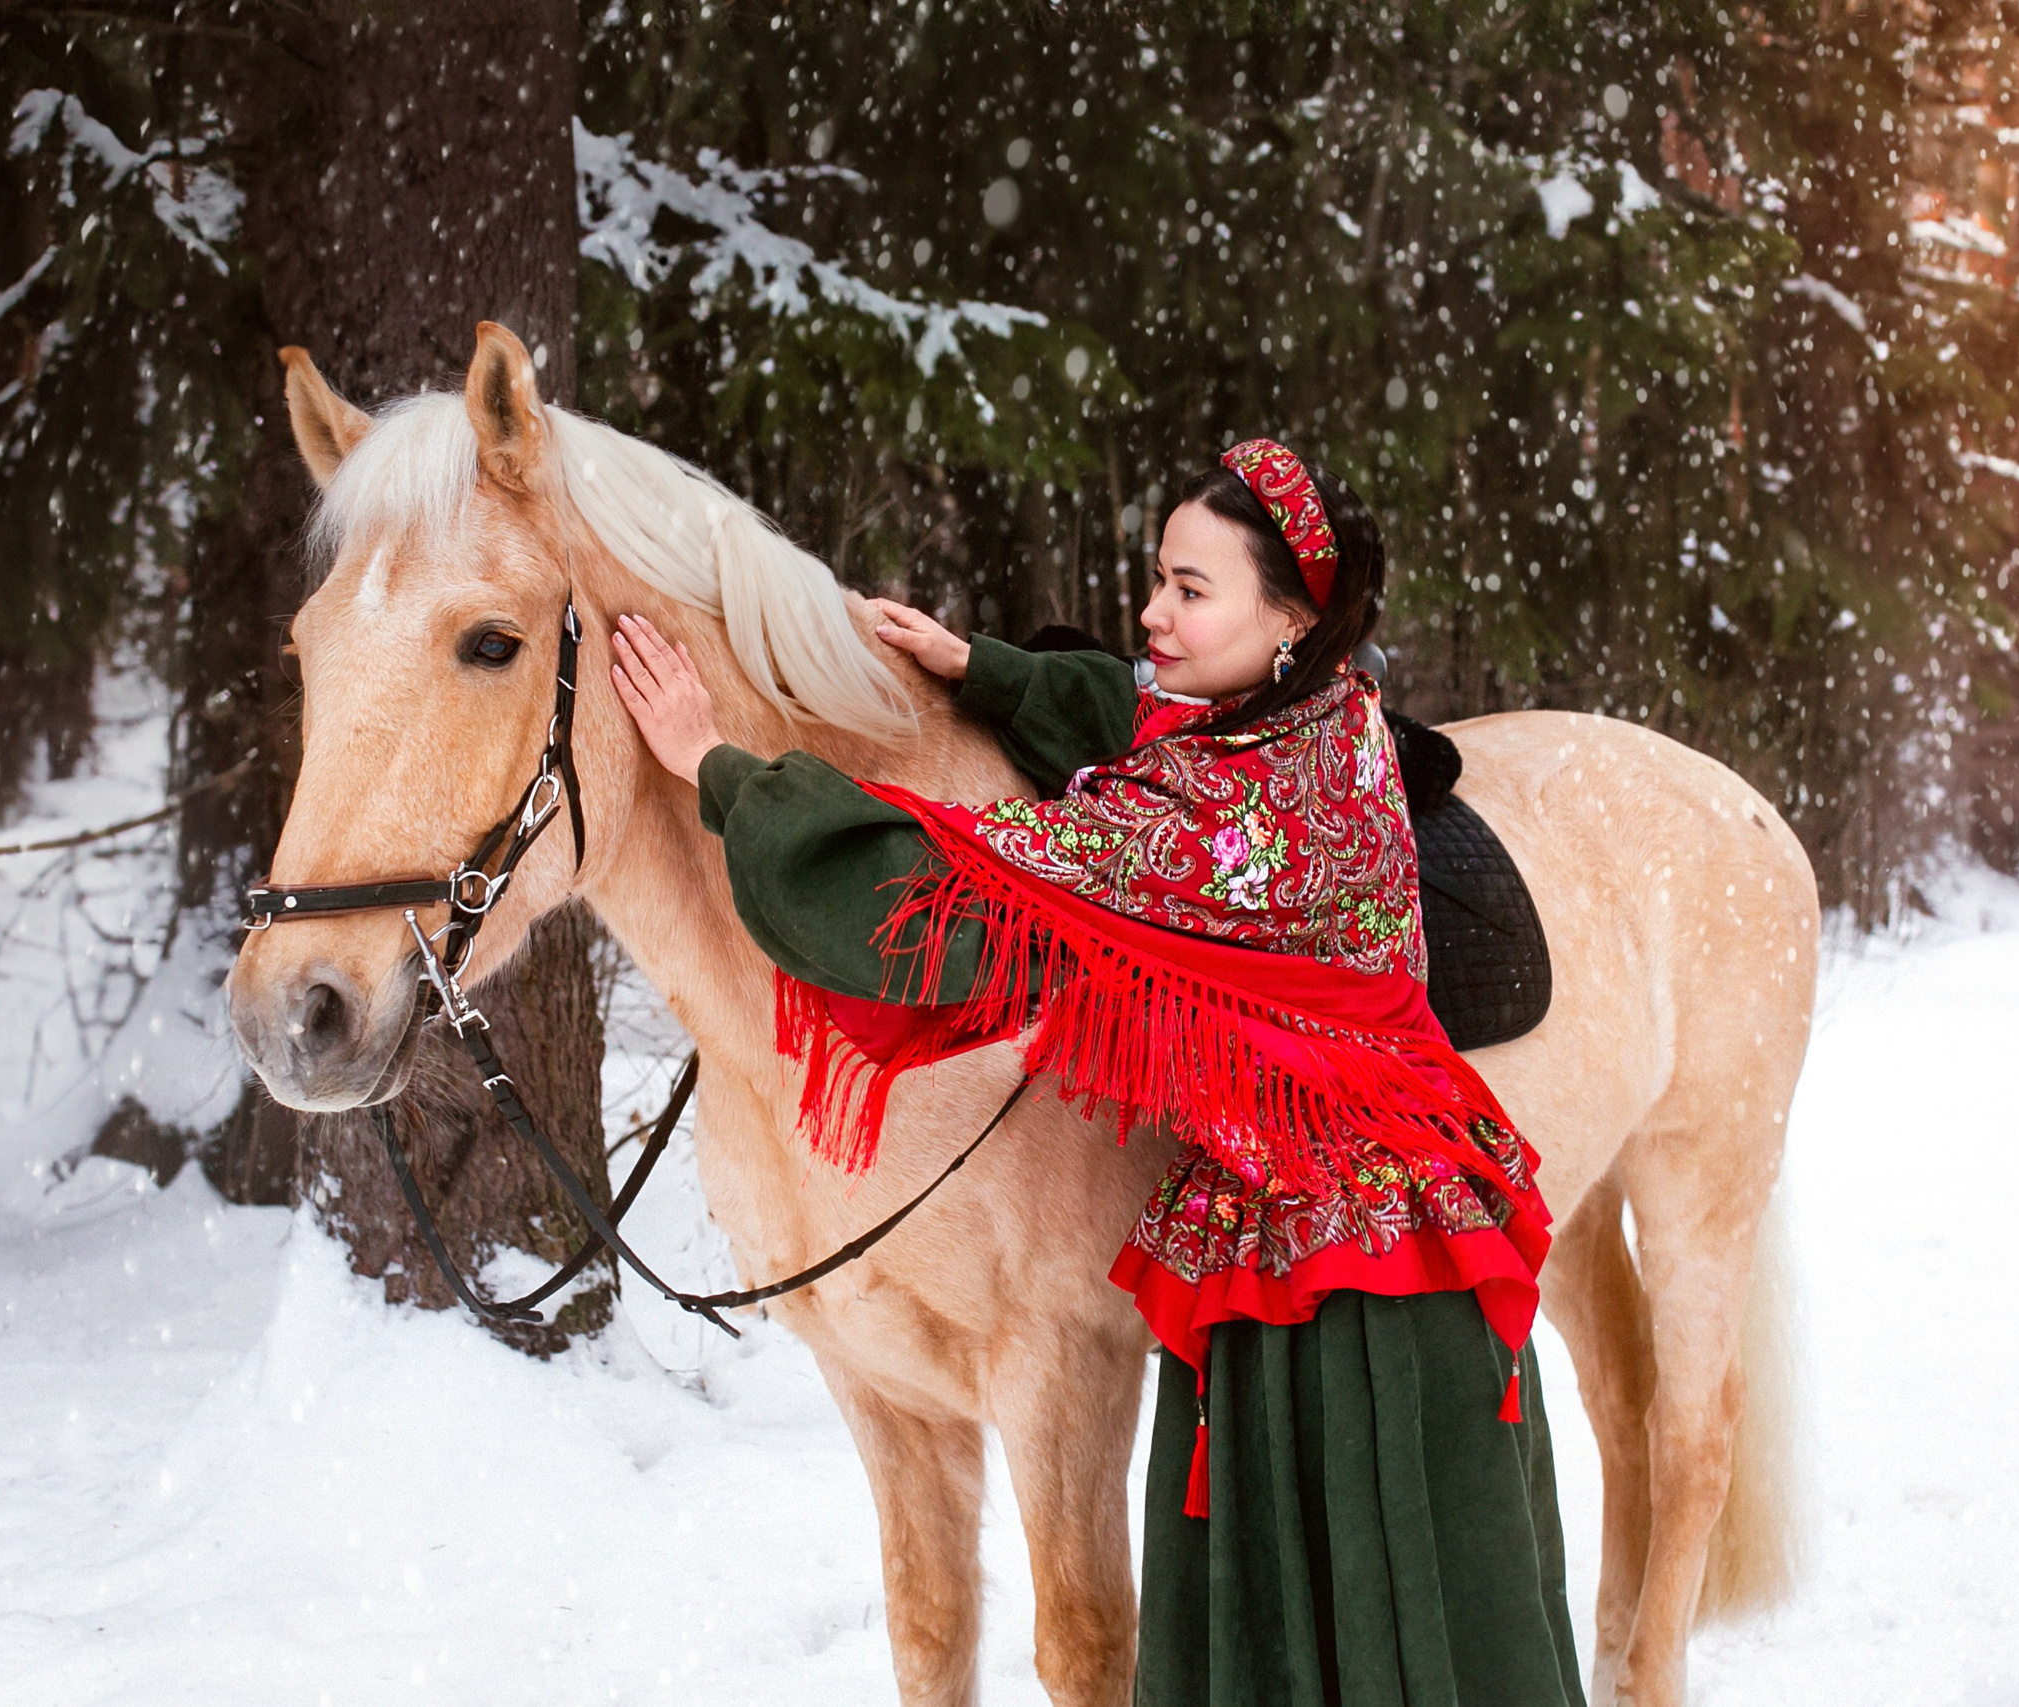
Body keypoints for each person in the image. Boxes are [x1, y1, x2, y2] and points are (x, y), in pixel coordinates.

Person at [610, 440, 1583, 1706]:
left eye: (1190, 590)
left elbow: (934, 894)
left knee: (1356, 1646)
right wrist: (983, 670)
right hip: (1384, 1259)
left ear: (1290, 622)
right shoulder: (1327, 718)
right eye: (1158, 579)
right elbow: (1135, 712)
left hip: (1352, 1317)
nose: (1151, 615)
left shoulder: (1208, 828)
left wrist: (717, 768)